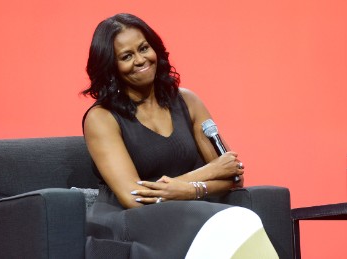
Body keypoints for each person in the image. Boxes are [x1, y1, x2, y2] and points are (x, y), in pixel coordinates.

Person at [81, 13, 278, 259]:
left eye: (144, 48)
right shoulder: (101, 118)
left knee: (235, 222)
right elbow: (134, 197)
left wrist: (187, 190)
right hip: (128, 221)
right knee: (233, 222)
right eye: (126, 56)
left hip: (187, 210)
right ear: (111, 67)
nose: (141, 60)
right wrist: (201, 178)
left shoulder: (187, 101)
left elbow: (231, 174)